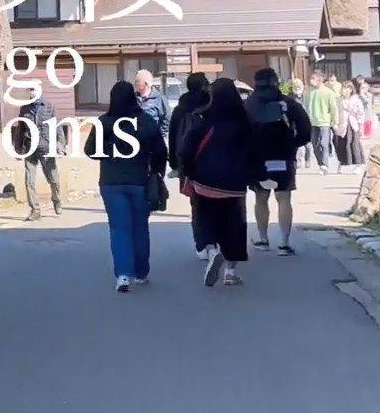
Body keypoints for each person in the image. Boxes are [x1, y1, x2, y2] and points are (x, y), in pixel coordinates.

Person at [177, 78, 260, 286]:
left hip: (205, 181)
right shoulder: (245, 122)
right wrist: (253, 177)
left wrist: (187, 172)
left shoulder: (203, 120)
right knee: (235, 226)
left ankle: (212, 249)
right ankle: (230, 272)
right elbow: (254, 152)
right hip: (235, 184)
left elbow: (186, 150)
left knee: (206, 220)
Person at [88, 80, 166, 292]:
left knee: (119, 229)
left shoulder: (103, 122)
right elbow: (159, 151)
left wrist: (109, 149)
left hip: (111, 182)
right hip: (140, 181)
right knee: (140, 227)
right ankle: (141, 272)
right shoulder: (145, 121)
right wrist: (157, 172)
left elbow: (90, 151)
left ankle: (123, 275)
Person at [247, 67, 313, 255]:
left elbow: (240, 132)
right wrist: (293, 144)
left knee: (261, 197)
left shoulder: (249, 105)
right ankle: (284, 243)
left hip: (258, 158)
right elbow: (305, 129)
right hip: (283, 156)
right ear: (276, 82)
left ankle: (262, 239)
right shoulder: (288, 103)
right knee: (283, 198)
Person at [167, 72, 214, 258]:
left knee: (196, 205)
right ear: (204, 86)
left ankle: (201, 245)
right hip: (212, 162)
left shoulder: (180, 109)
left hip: (187, 164)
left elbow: (172, 137)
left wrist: (174, 165)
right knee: (215, 203)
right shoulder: (211, 107)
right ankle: (214, 241)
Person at [14, 95, 64, 219]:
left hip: (46, 147)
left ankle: (57, 201)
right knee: (29, 181)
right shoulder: (24, 108)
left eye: (33, 89)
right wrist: (18, 147)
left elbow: (58, 127)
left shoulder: (49, 106)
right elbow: (20, 128)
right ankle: (35, 210)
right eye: (29, 90)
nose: (31, 92)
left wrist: (61, 145)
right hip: (29, 147)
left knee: (54, 179)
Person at [304, 72, 341, 173]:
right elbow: (305, 106)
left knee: (323, 144)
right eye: (311, 78)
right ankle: (320, 163)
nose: (311, 80)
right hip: (311, 122)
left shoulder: (328, 93)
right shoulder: (308, 92)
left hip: (324, 122)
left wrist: (335, 122)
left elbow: (333, 108)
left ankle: (325, 165)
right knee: (315, 144)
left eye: (314, 78)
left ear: (320, 79)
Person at [337, 80, 369, 170]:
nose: (345, 90)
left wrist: (360, 126)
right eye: (344, 88)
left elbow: (360, 113)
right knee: (342, 144)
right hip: (342, 124)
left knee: (354, 144)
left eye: (347, 88)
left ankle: (357, 164)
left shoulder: (356, 100)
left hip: (353, 124)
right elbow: (336, 112)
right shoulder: (339, 99)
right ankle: (342, 163)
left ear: (351, 89)